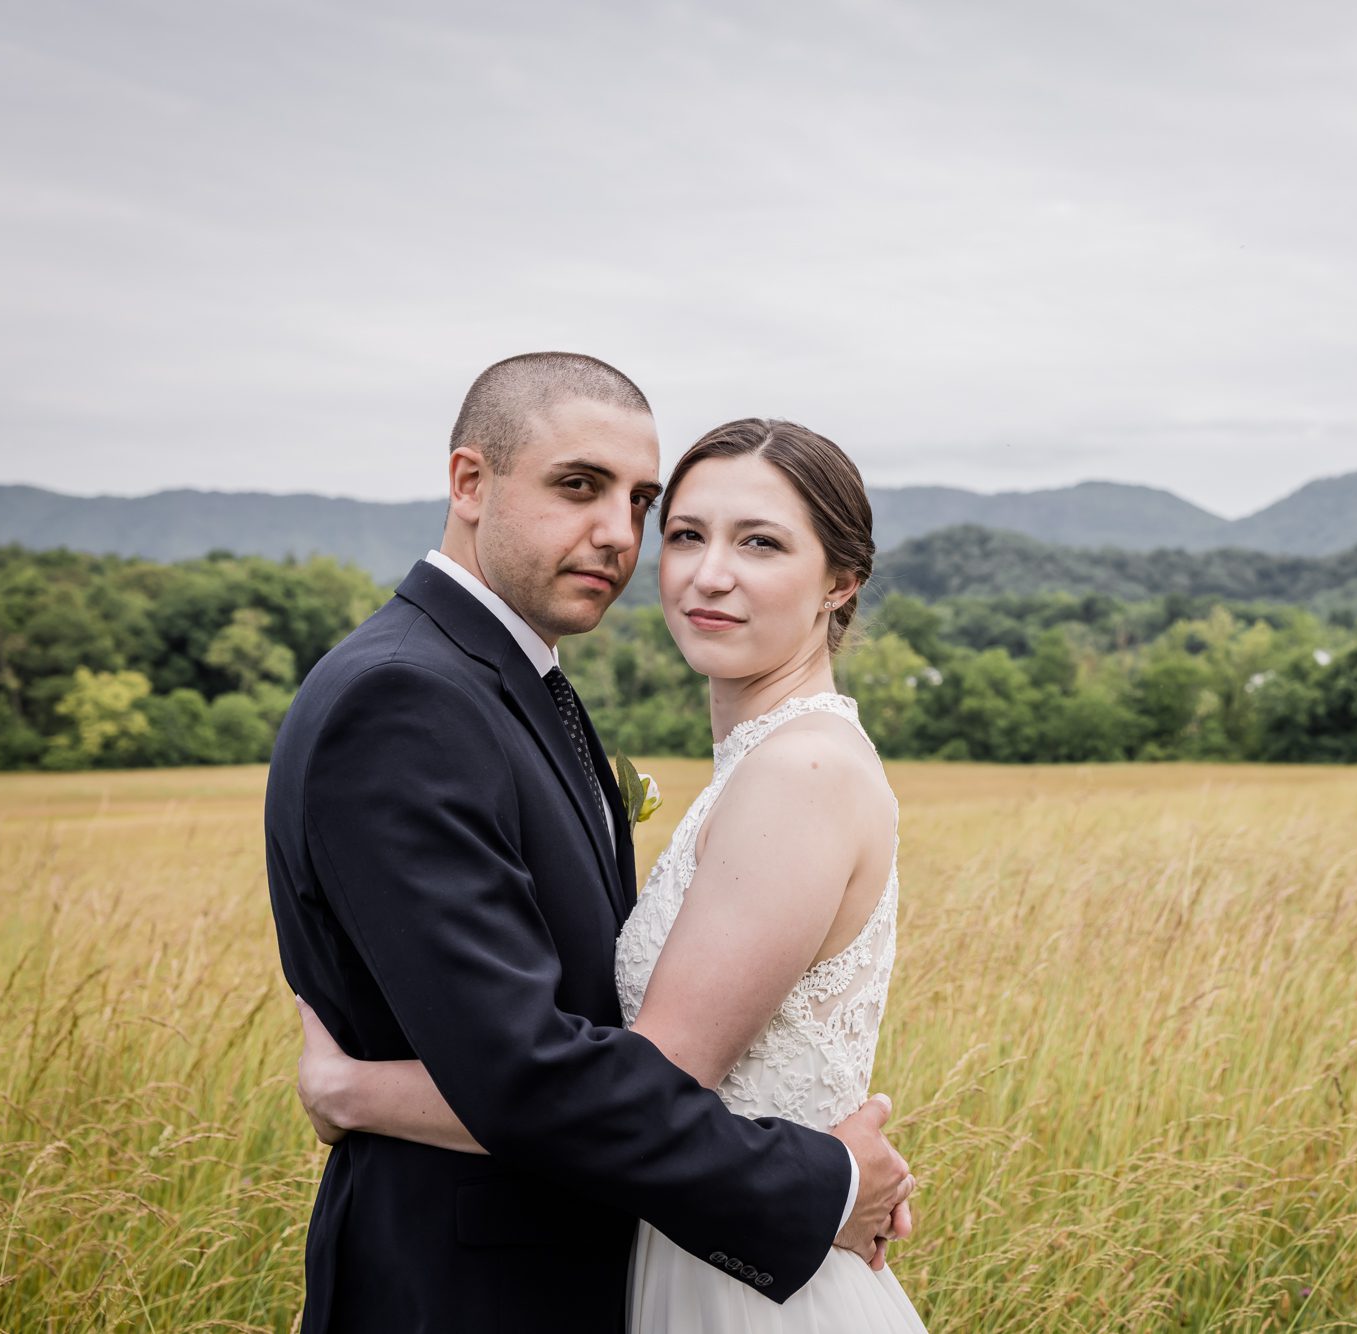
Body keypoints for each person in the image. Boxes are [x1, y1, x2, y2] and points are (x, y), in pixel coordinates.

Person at [265, 358, 914, 1334]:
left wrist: (355, 1088)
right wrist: (816, 1180)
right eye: (581, 486)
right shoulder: (406, 698)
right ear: (469, 483)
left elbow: (607, 1057)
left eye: (641, 501)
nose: (623, 533)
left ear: (840, 581)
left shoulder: (534, 693)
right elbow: (528, 1069)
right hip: (463, 1289)